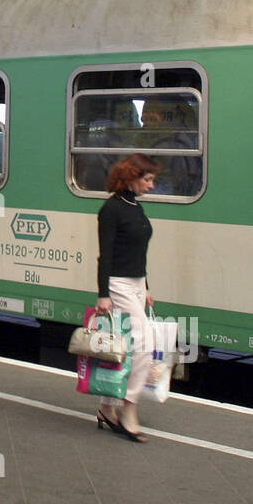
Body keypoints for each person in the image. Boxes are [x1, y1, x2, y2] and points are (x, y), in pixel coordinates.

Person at [95, 152, 159, 443]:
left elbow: (139, 253)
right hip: (118, 284)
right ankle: (128, 408)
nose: (152, 185)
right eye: (148, 179)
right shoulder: (111, 209)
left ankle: (107, 408)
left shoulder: (136, 208)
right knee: (145, 344)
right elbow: (105, 255)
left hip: (135, 283)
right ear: (132, 177)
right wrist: (103, 294)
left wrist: (145, 287)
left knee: (123, 348)